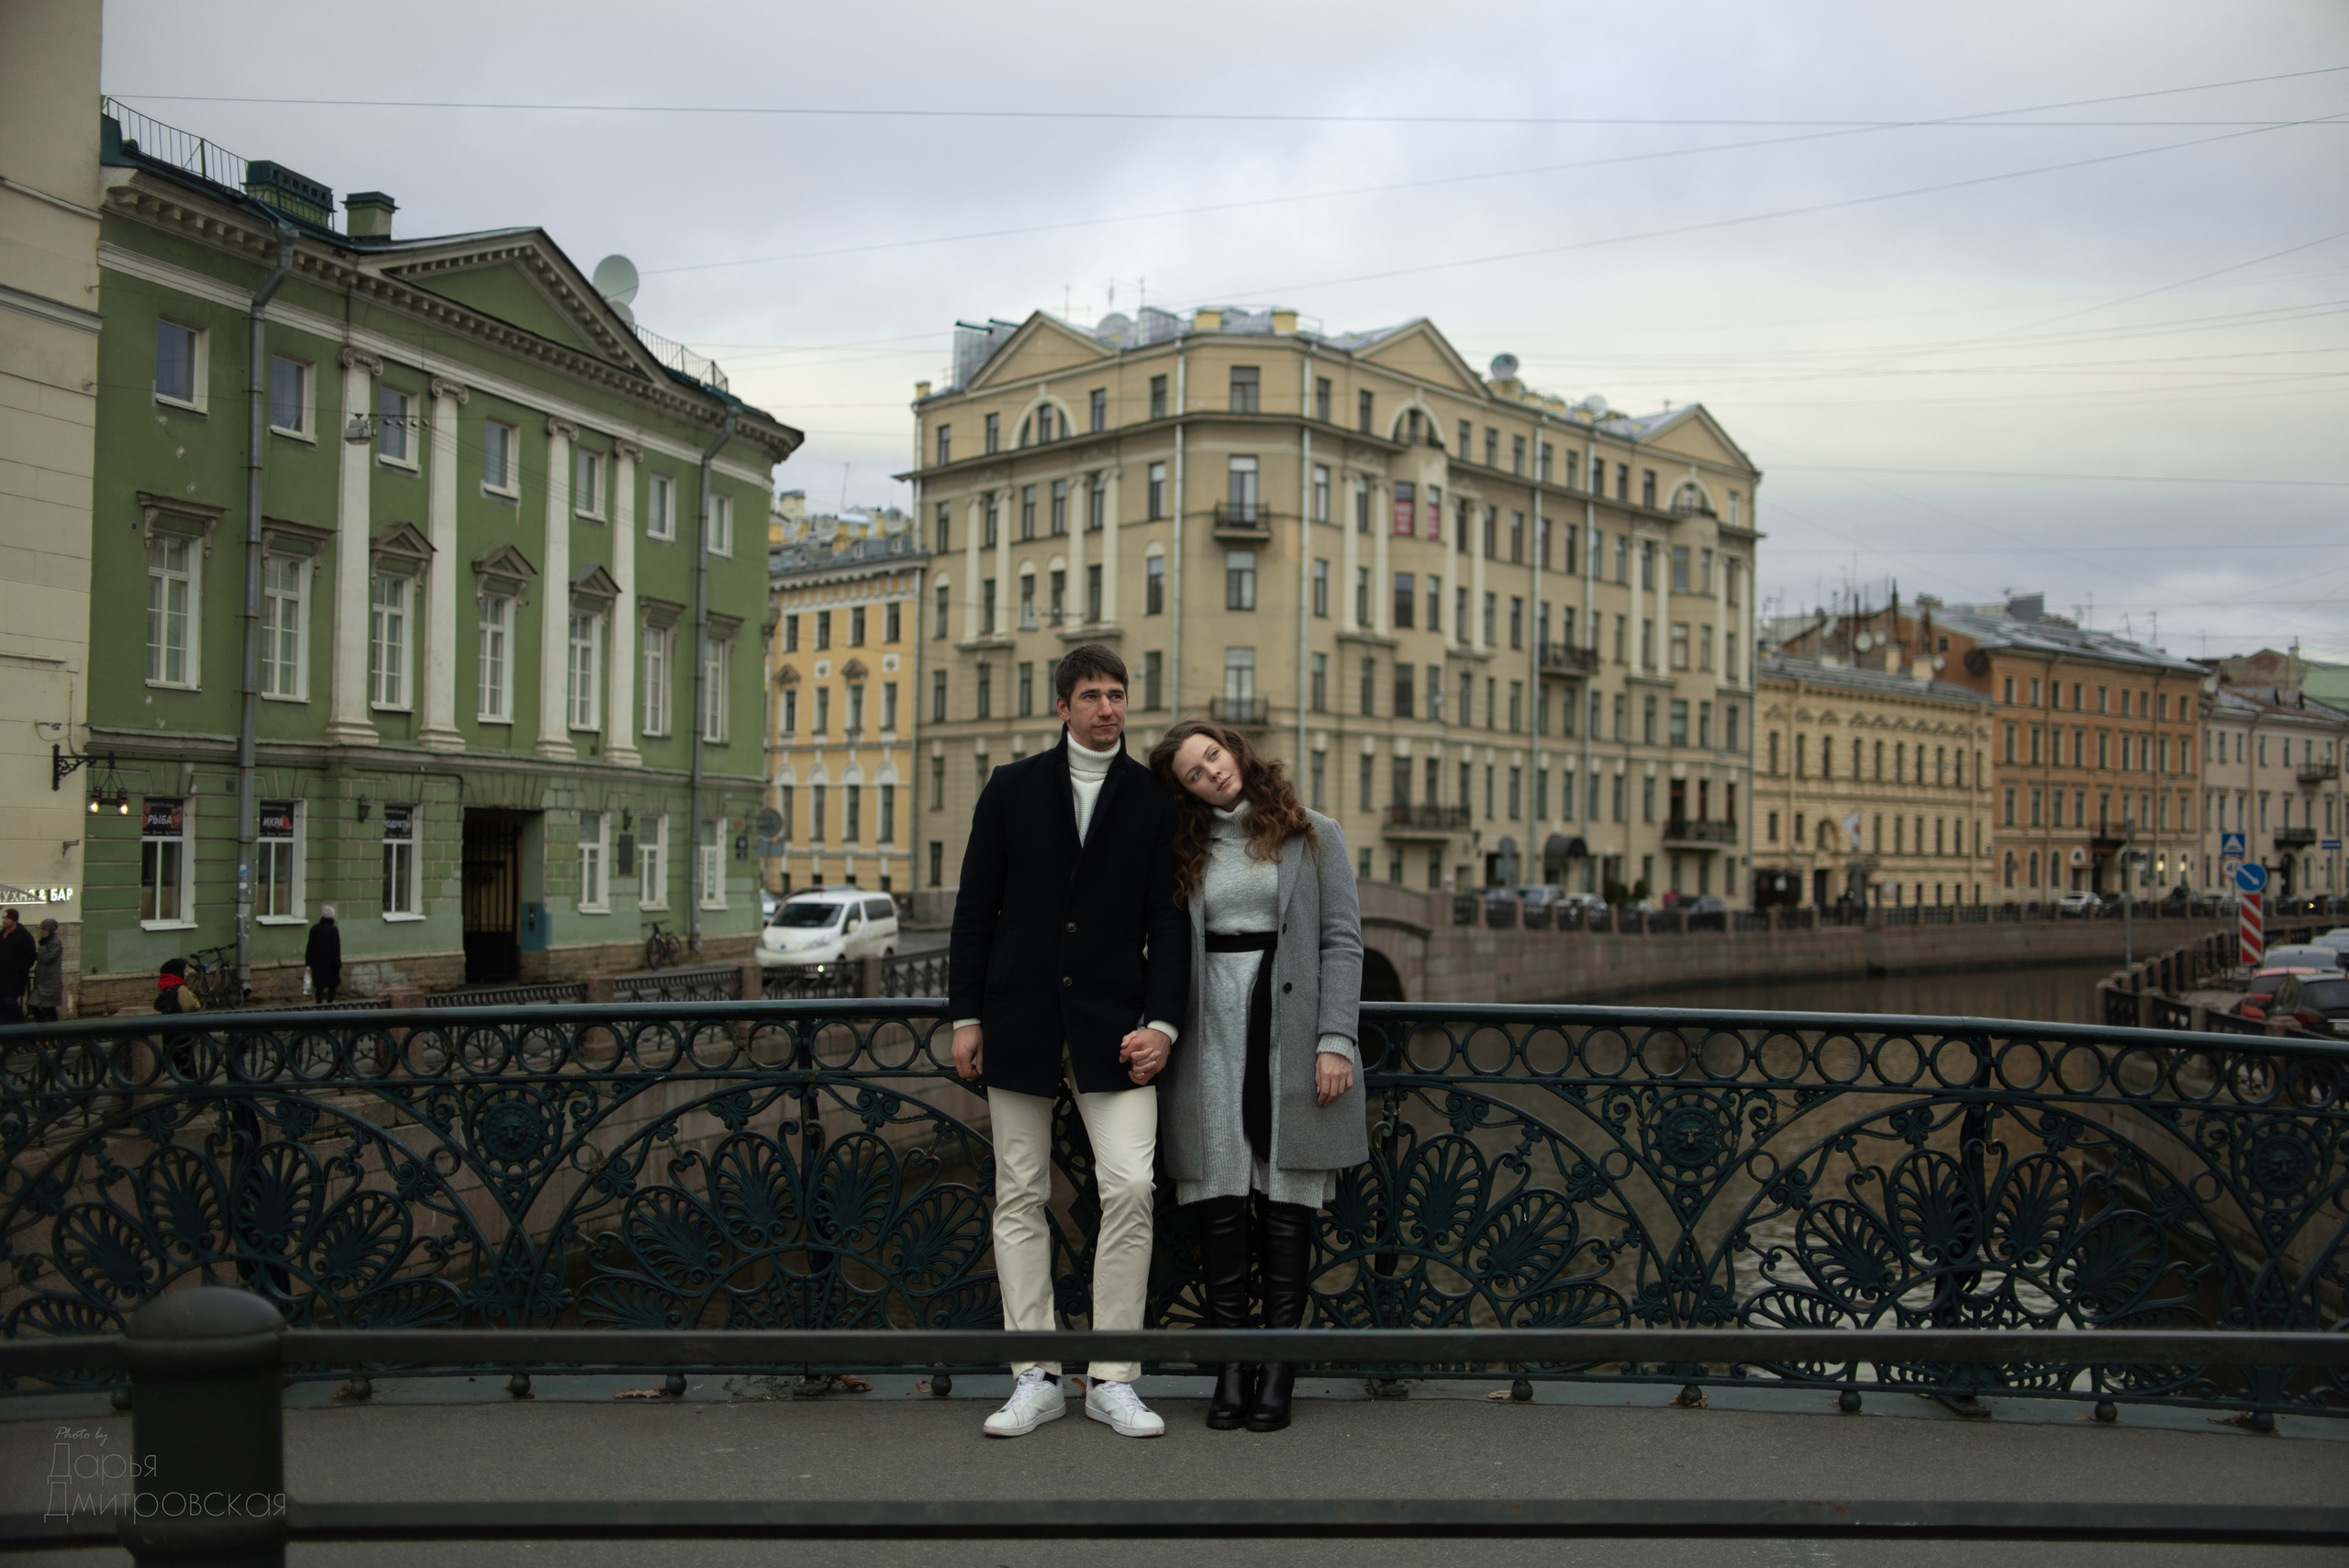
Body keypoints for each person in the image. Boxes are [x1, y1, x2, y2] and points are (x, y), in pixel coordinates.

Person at [947, 644, 1190, 1441]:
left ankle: (1114, 1377)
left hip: (1115, 1028)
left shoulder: (1152, 799)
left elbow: (1168, 921)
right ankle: (1036, 1374)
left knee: (1130, 1187)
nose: (1107, 707)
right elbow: (975, 907)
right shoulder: (1012, 787)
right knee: (1019, 1193)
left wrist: (1162, 1024)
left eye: (1117, 694)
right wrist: (965, 1015)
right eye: (1091, 695)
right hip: (1018, 1019)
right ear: (1062, 706)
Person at [1147, 718, 1367, 1434]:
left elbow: (1342, 942)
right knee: (1218, 1198)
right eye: (1193, 771)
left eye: (1213, 754)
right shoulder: (1182, 847)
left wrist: (1335, 1039)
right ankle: (1231, 1367)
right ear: (1185, 790)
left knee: (1284, 1202)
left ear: (1235, 749)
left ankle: (1277, 1367)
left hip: (1291, 1033)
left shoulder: (1313, 832)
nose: (1211, 771)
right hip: (1207, 1034)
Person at [27, 919, 64, 1023]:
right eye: (40, 929)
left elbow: (46, 958)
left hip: (50, 982)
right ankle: (44, 1027)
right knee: (33, 1005)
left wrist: (42, 946)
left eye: (44, 929)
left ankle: (51, 1029)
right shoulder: (46, 941)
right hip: (41, 981)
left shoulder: (55, 942)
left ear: (49, 931)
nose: (41, 931)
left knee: (49, 1008)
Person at [0, 907, 33, 1025]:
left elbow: (30, 955)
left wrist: (18, 967)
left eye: (7, 918)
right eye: (3, 918)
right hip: (2, 977)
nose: (4, 920)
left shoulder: (23, 935)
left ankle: (22, 1025)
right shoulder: (2, 934)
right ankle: (7, 1029)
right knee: (2, 1004)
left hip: (15, 978)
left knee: (9, 1001)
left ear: (14, 920)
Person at [306, 906, 342, 1005]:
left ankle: (319, 1005)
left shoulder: (314, 929)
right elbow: (335, 948)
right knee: (332, 985)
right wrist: (338, 964)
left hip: (317, 963)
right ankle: (329, 1004)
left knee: (319, 986)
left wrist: (308, 962)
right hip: (330, 964)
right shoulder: (333, 930)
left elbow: (310, 946)